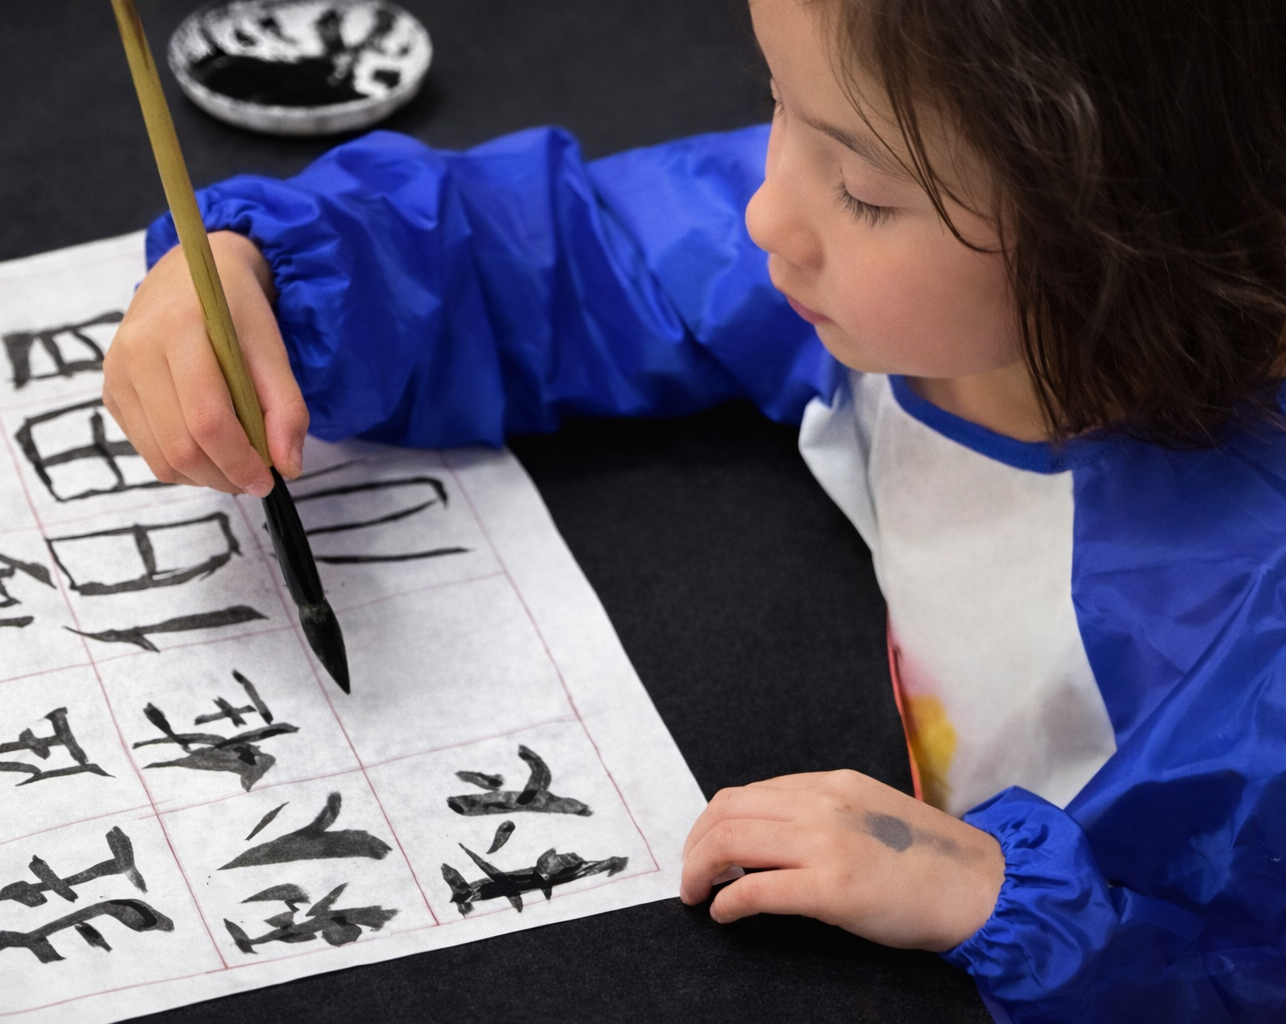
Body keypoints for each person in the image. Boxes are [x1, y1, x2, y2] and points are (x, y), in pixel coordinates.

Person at [103, 1, 1286, 1020]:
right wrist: (267, 274)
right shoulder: (925, 262)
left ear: (1132, 228)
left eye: (863, 191)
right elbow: (579, 249)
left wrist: (1005, 903)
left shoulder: (1243, 627)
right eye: (778, 101)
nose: (770, 211)